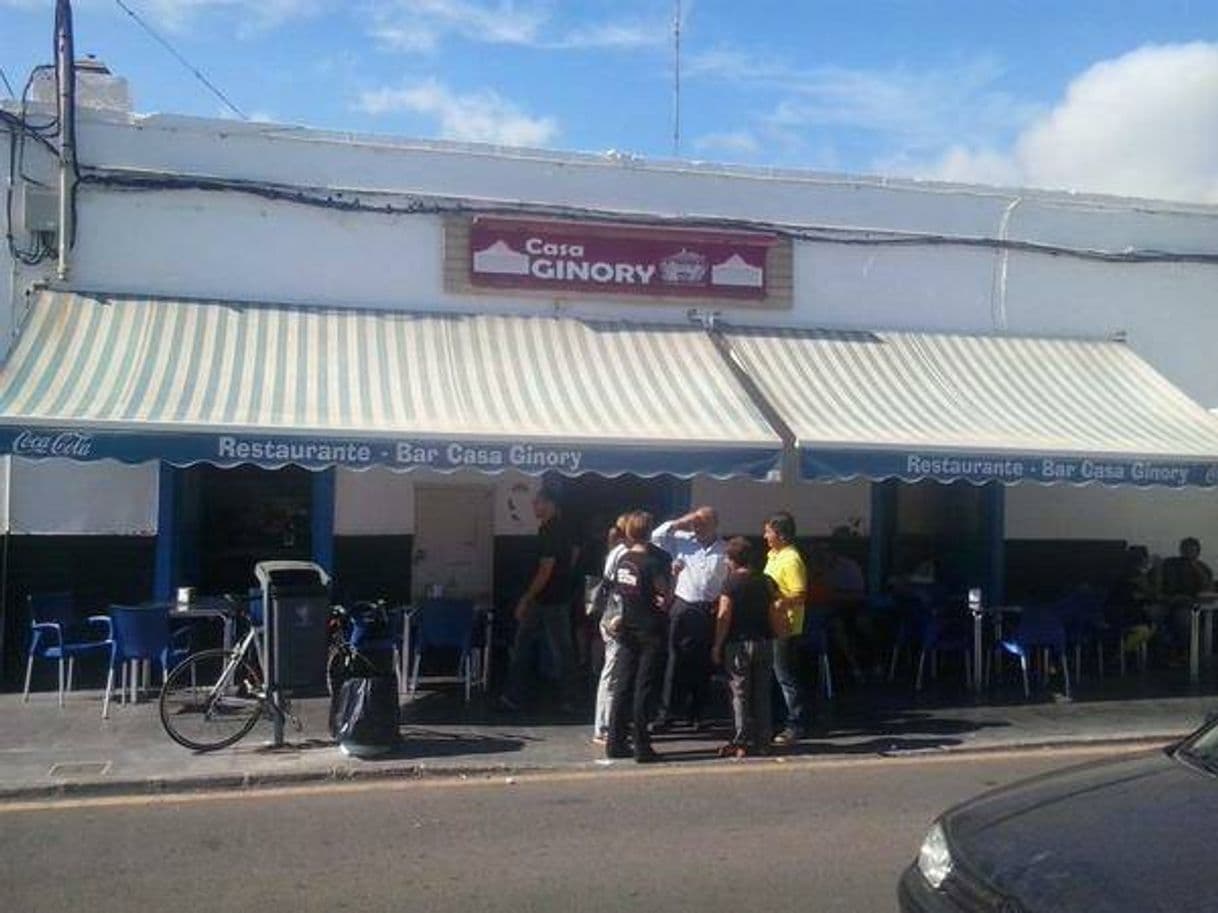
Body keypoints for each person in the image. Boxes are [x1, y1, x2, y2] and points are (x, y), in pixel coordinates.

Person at [499, 489, 579, 712]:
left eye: (538, 503)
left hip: (545, 599)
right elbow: (574, 554)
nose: (534, 506)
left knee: (528, 647)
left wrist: (527, 597)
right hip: (558, 596)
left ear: (550, 505)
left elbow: (545, 569)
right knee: (559, 649)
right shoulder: (563, 530)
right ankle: (567, 697)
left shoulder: (549, 531)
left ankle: (515, 696)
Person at [650, 506, 728, 731]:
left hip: (708, 608)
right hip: (684, 605)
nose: (698, 527)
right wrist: (682, 521)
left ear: (714, 524)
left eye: (703, 523)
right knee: (675, 661)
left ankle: (698, 713)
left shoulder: (724, 548)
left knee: (703, 663)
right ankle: (667, 714)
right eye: (696, 522)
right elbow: (656, 536)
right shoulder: (682, 540)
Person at [607, 511, 672, 763]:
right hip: (650, 629)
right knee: (644, 688)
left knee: (623, 685)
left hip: (628, 627)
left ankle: (615, 742)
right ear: (649, 531)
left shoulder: (624, 560)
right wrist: (672, 579)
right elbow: (664, 597)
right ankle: (642, 746)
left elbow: (623, 591)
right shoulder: (654, 562)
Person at [712, 537, 776, 757]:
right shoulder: (765, 580)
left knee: (739, 693)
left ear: (732, 559)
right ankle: (764, 740)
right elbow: (775, 609)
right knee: (762, 693)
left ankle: (741, 740)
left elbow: (724, 616)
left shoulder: (730, 583)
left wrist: (717, 645)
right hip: (764, 641)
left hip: (738, 643)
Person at [764, 511, 810, 746]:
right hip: (772, 623)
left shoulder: (791, 559)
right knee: (775, 674)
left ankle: (796, 723)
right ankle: (776, 719)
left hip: (786, 625)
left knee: (785, 676)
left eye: (768, 532)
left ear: (780, 534)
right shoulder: (774, 555)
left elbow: (800, 594)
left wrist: (781, 602)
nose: (765, 536)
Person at [591, 515, 629, 745]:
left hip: (612, 616)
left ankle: (611, 723)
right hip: (616, 618)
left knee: (614, 672)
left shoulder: (616, 552)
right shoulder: (621, 554)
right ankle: (603, 726)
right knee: (612, 673)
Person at [1155, 537, 1214, 656]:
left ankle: (1181, 651)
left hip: (1189, 604)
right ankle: (1162, 652)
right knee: (1153, 613)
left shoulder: (1203, 568)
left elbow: (1208, 590)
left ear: (1198, 552)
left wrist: (1195, 567)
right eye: (1186, 550)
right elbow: (1157, 586)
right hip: (1166, 601)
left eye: (1193, 550)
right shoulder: (1170, 563)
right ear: (1181, 550)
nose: (1189, 553)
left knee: (1183, 619)